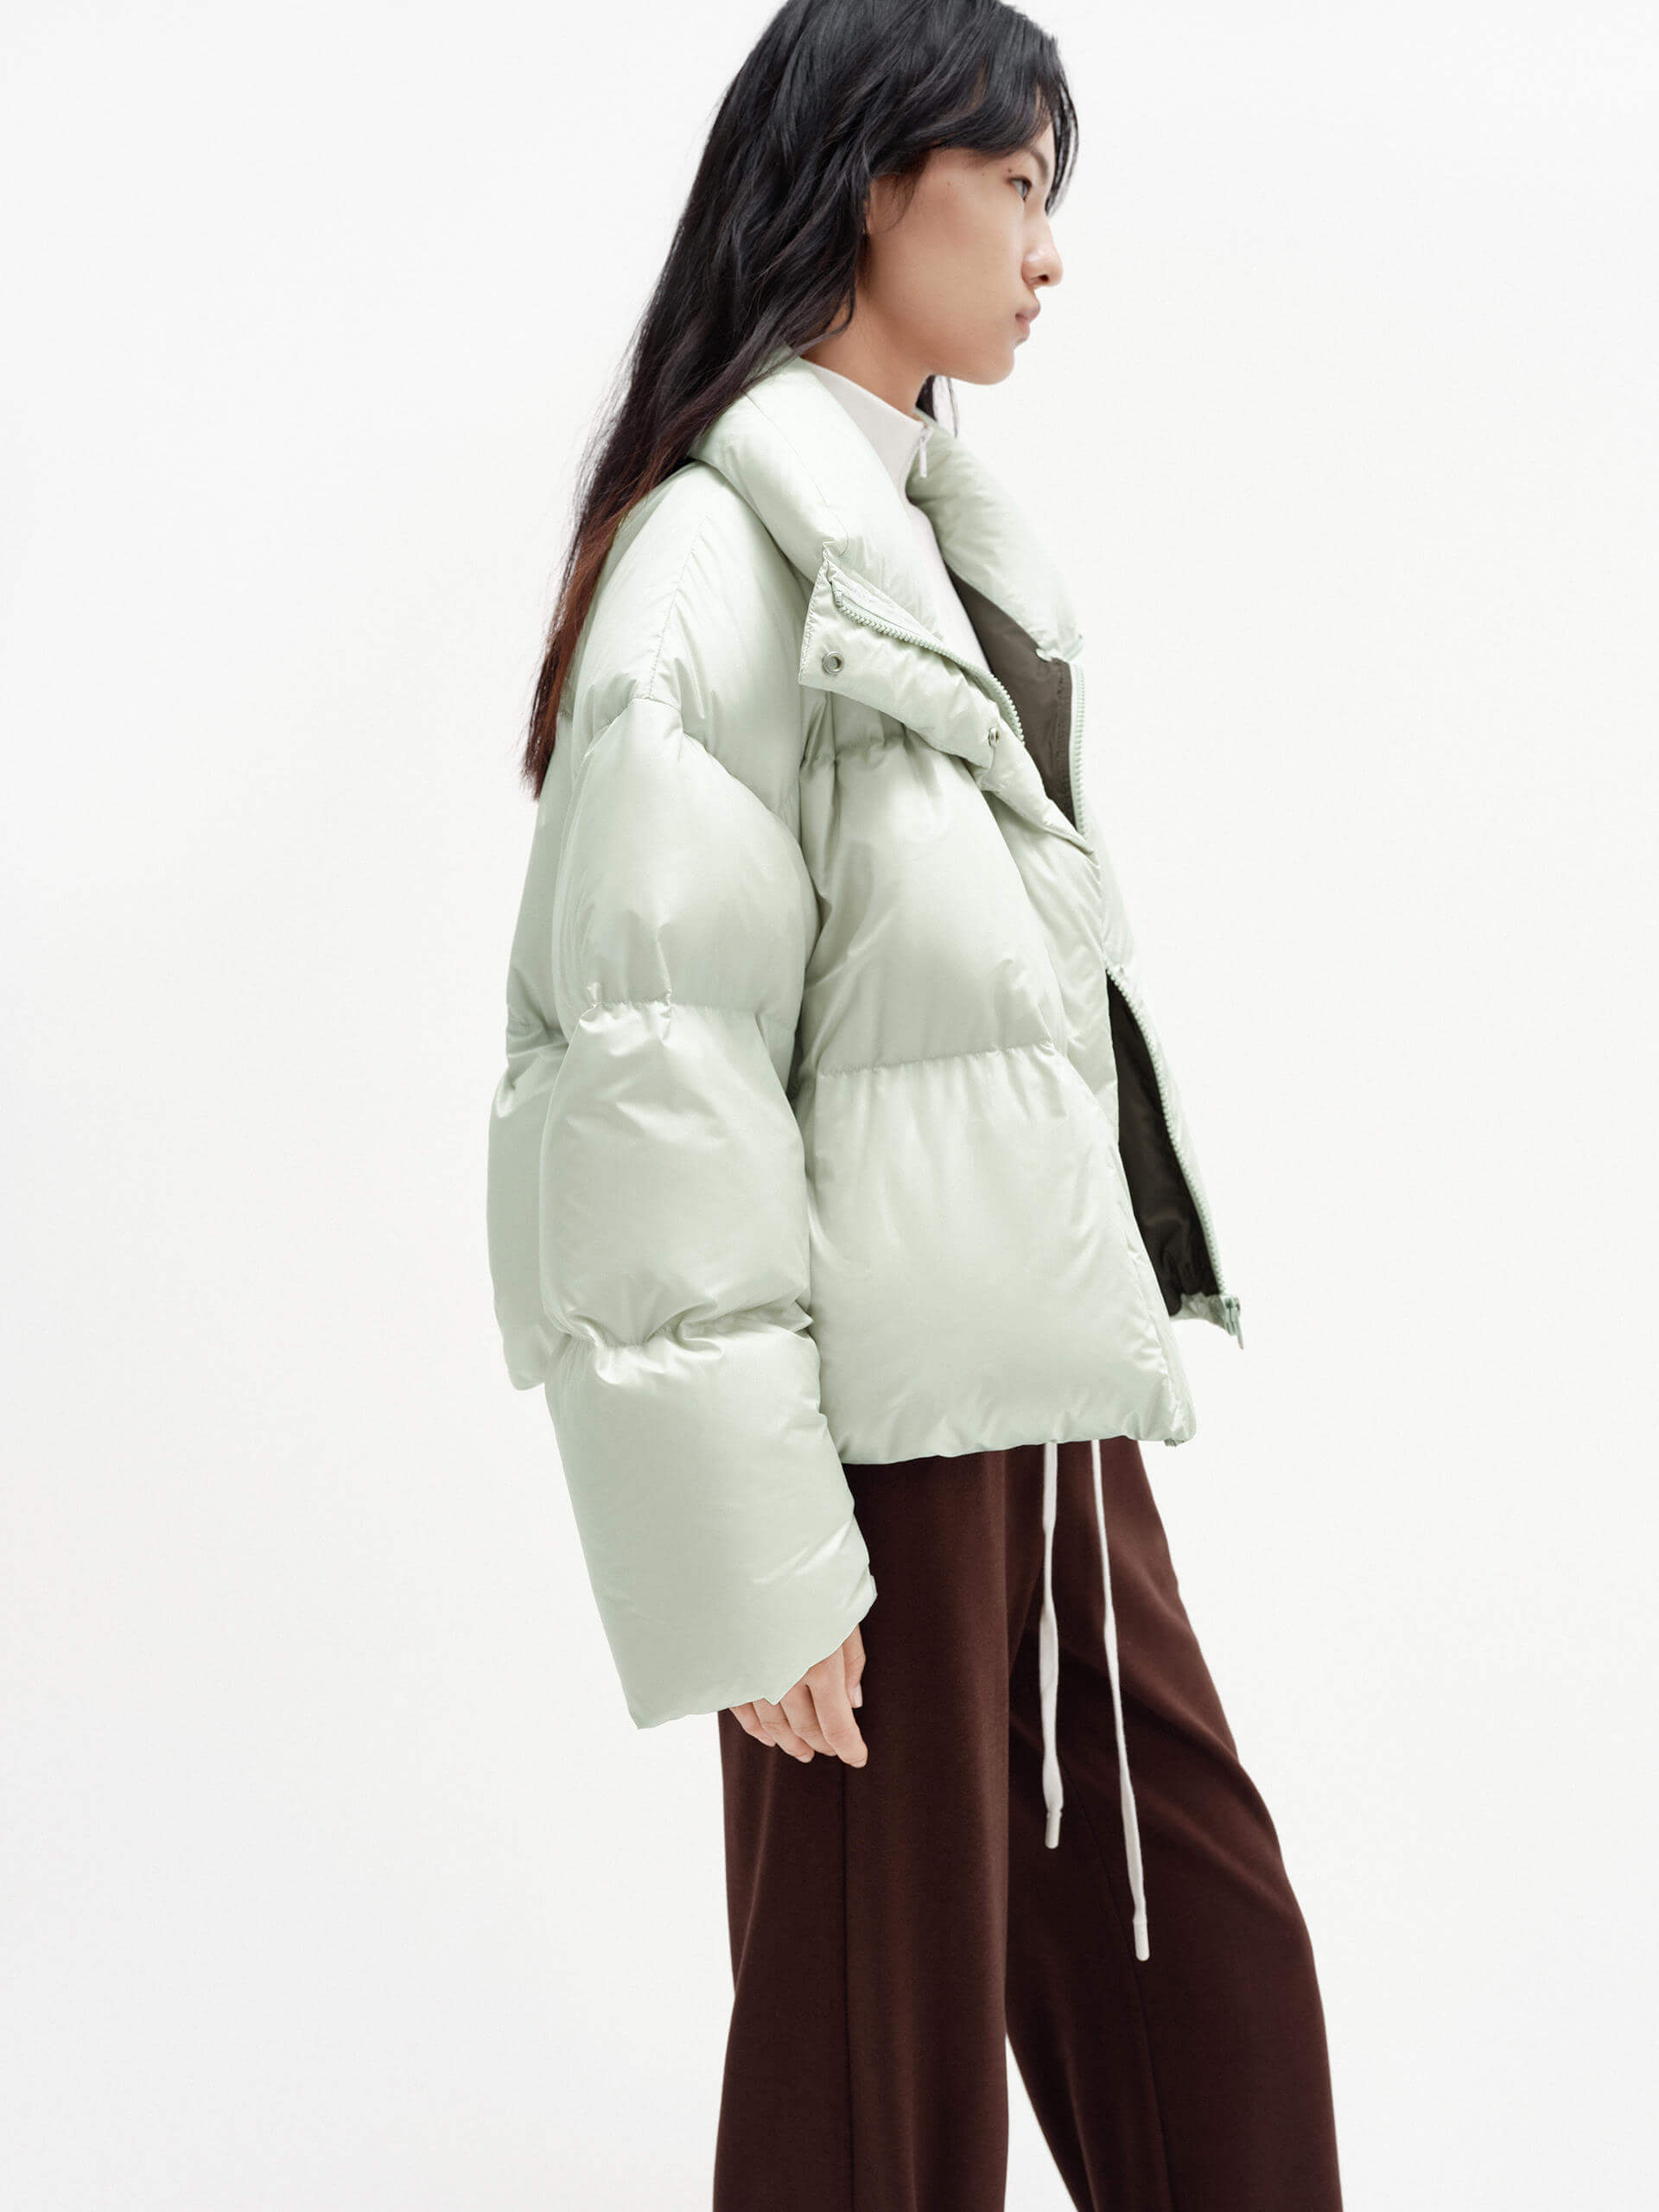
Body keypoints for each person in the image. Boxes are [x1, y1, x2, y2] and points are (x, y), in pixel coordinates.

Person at [486, 3, 1345, 2206]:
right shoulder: (721, 561)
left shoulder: (928, 539)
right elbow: (647, 1064)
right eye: (1020, 185)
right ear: (879, 183)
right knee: (876, 2095)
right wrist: (754, 1557)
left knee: (1211, 1977)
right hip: (865, 1457)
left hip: (1034, 1412)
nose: (1051, 251)